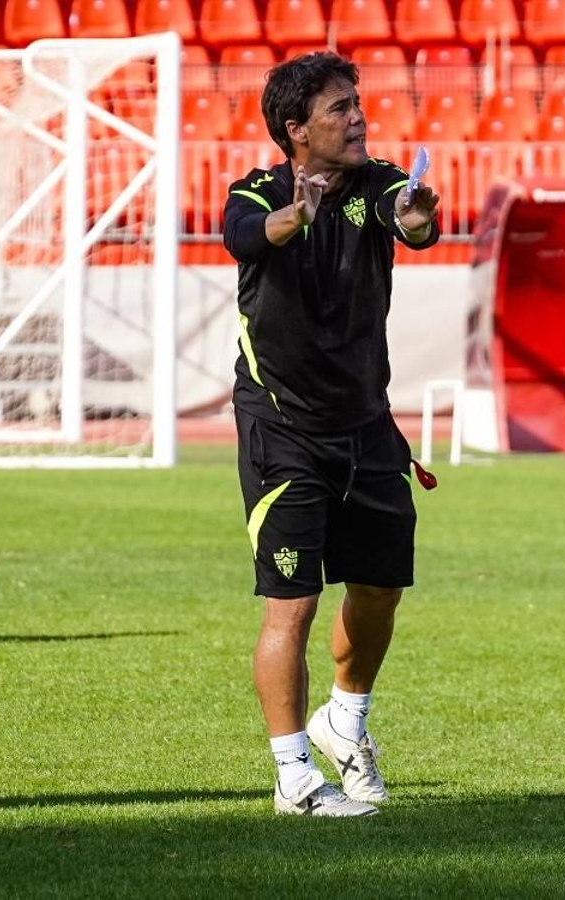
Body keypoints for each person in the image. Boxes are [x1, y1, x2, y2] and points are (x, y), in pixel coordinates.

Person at [222, 52, 442, 817]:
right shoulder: (257, 192)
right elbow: (245, 236)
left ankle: (345, 721)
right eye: (340, 108)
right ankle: (293, 776)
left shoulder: (378, 183)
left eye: (357, 103)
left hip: (366, 424)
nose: (358, 117)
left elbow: (408, 220)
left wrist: (419, 215)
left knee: (381, 588)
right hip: (281, 427)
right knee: (293, 603)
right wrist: (297, 218)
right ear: (297, 129)